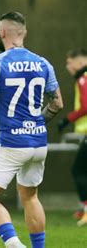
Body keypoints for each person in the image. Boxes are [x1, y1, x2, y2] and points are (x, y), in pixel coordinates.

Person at [0, 11, 63, 248]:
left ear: (2, 32)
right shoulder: (44, 62)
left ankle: (14, 244)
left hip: (12, 143)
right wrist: (37, 123)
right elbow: (57, 103)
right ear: (24, 33)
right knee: (30, 197)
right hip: (38, 143)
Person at [57, 48, 87, 226]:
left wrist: (66, 120)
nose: (67, 66)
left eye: (69, 62)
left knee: (78, 170)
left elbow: (85, 106)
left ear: (80, 62)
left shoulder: (83, 78)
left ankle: (85, 208)